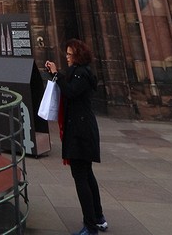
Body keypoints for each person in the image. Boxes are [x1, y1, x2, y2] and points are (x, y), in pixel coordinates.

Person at [45, 39, 108, 235]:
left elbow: (71, 91)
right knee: (87, 175)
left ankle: (90, 226)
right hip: (82, 129)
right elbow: (68, 85)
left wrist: (57, 74)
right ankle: (98, 218)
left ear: (78, 56)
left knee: (81, 177)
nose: (67, 57)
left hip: (81, 132)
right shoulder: (80, 73)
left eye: (70, 54)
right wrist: (56, 75)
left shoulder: (81, 74)